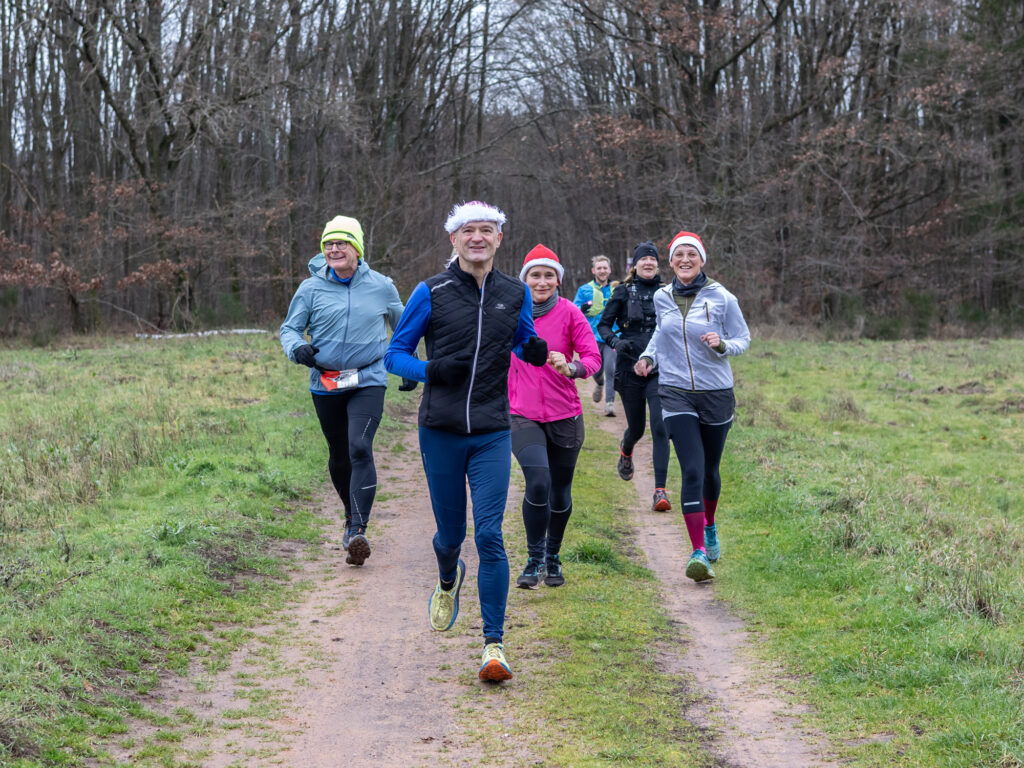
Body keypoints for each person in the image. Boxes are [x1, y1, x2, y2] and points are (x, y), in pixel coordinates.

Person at [384, 201, 548, 682]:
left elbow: (521, 339)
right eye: (468, 230)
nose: (478, 237)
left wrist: (534, 350)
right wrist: (431, 369)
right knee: (451, 536)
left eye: (487, 230)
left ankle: (494, 646)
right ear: (453, 239)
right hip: (441, 430)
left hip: (493, 429)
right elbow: (394, 356)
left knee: (490, 535)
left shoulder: (515, 292)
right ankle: (446, 577)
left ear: (499, 239)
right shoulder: (430, 291)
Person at [280, 215, 412, 567]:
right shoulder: (310, 289)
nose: (334, 249)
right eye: (329, 244)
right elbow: (289, 329)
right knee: (340, 454)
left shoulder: (382, 286)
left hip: (368, 378)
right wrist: (298, 348)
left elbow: (403, 329)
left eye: (342, 243)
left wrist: (409, 363)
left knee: (359, 446)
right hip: (326, 381)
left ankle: (357, 530)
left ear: (357, 249)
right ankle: (350, 515)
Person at [634, 231, 750, 582]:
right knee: (693, 470)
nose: (685, 260)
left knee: (711, 470)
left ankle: (710, 526)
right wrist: (648, 356)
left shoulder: (722, 297)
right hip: (675, 391)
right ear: (671, 262)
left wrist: (722, 345)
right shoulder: (662, 297)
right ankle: (698, 552)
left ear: (702, 259)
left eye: (691, 254)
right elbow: (661, 334)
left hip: (716, 393)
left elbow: (743, 339)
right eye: (678, 255)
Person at [509, 245, 602, 590]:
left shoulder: (570, 313)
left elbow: (593, 357)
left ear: (558, 280)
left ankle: (553, 555)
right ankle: (534, 559)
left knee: (560, 490)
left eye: (549, 275)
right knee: (537, 482)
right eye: (535, 275)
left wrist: (572, 367)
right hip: (521, 413)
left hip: (565, 414)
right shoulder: (510, 313)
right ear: (525, 279)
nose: (542, 281)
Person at [597, 242, 672, 512]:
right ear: (635, 265)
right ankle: (626, 449)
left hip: (659, 369)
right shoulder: (622, 291)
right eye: (644, 259)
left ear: (657, 264)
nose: (648, 263)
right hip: (629, 367)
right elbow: (603, 325)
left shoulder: (668, 292)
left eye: (652, 259)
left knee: (660, 427)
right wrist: (616, 342)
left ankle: (660, 491)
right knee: (637, 429)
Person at [573, 255, 617, 416]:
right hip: (592, 337)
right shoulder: (584, 290)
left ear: (609, 270)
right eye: (599, 268)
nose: (602, 271)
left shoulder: (616, 289)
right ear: (593, 271)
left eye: (605, 268)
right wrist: (582, 308)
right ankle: (599, 383)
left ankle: (609, 404)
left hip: (612, 336)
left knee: (611, 369)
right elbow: (574, 310)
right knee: (596, 371)